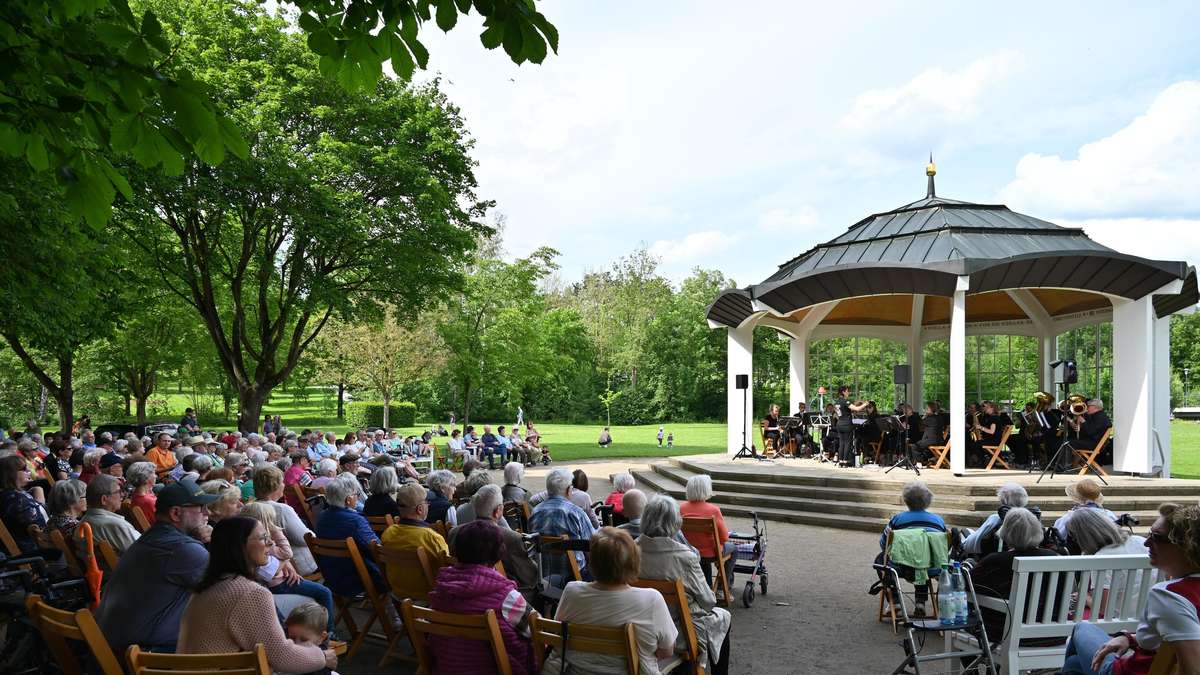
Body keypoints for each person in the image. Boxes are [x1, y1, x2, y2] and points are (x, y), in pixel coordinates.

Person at [177, 517, 335, 673]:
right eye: (263, 538)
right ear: (240, 546)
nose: (271, 542)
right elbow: (282, 658)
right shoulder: (250, 593)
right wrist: (322, 656)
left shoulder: (204, 589)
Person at [1061, 503, 1200, 674]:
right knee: (1076, 663)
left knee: (1082, 628)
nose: (1147, 543)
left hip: (1130, 671)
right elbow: (1171, 637)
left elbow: (1193, 667)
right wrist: (1130, 639)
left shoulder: (1170, 596)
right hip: (1143, 653)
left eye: (1156, 537)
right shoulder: (1183, 594)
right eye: (1149, 534)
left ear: (1186, 546)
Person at [96, 478, 216, 654]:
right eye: (200, 507)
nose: (208, 513)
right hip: (147, 655)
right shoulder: (182, 548)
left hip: (118, 646)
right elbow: (231, 588)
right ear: (176, 513)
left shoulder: (155, 537)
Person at [547, 528, 678, 674]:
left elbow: (558, 635)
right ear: (633, 562)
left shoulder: (572, 591)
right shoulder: (651, 600)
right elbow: (666, 651)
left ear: (592, 562)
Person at [638, 495, 732, 674]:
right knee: (724, 616)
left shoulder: (632, 550)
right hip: (680, 633)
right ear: (675, 522)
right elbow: (708, 601)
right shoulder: (684, 557)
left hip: (644, 627)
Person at [429, 518, 534, 673]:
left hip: (448, 667)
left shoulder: (440, 591)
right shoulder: (508, 598)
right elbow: (536, 630)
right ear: (498, 554)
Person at [964, 507, 1061, 645]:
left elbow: (968, 588)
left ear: (1005, 532)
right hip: (1054, 633)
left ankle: (983, 667)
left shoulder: (995, 561)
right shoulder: (1055, 558)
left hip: (1005, 632)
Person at [241, 501, 337, 637]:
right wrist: (277, 533)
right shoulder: (264, 544)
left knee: (322, 591)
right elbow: (285, 556)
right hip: (279, 584)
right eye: (270, 520)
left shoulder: (258, 542)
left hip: (283, 579)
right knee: (324, 592)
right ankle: (329, 633)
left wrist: (286, 563)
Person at [873, 481, 947, 615]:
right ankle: (920, 602)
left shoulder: (897, 519)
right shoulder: (939, 521)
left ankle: (894, 602)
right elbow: (943, 548)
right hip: (932, 568)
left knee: (880, 559)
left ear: (906, 500)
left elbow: (884, 544)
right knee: (923, 559)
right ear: (928, 501)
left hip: (902, 567)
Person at [448, 484, 538, 592]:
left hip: (459, 590)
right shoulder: (512, 538)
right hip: (501, 595)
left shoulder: (454, 532)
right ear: (498, 511)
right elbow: (529, 577)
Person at [1068, 507, 1149, 618]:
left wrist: (1084, 598)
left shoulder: (1101, 558)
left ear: (1083, 538)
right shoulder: (1141, 541)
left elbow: (1102, 608)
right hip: (1152, 617)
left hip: (1120, 622)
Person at [314, 473, 383, 599]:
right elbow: (376, 547)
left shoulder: (321, 517)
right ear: (348, 500)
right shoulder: (355, 521)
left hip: (332, 577)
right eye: (356, 495)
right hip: (357, 579)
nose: (357, 498)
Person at [380, 482, 449, 599]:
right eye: (427, 502)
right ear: (420, 509)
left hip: (397, 595)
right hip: (426, 598)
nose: (429, 505)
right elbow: (447, 572)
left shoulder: (388, 533)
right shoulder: (431, 537)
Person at [529, 469, 597, 583]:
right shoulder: (576, 512)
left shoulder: (535, 511)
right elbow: (593, 545)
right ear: (569, 490)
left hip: (545, 575)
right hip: (575, 576)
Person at [254, 465, 318, 576]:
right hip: (296, 568)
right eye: (282, 482)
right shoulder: (281, 509)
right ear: (275, 486)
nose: (284, 485)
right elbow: (304, 538)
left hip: (269, 566)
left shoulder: (251, 507)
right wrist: (314, 534)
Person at [679, 474, 735, 588]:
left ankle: (710, 586)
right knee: (734, 549)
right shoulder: (713, 510)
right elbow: (724, 538)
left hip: (688, 550)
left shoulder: (681, 508)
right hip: (709, 553)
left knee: (704, 555)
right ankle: (722, 585)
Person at [960, 482, 1039, 558]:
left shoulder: (997, 518)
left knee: (963, 533)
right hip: (1022, 558)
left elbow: (973, 542)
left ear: (1003, 500)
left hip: (991, 556)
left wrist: (962, 545)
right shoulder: (1032, 519)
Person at [80, 474, 140, 557]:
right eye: (118, 492)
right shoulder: (116, 525)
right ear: (104, 499)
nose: (122, 495)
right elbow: (145, 551)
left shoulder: (83, 522)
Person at [0, 454, 47, 553]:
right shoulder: (16, 499)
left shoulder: (11, 495)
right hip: (33, 552)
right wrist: (39, 493)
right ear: (11, 474)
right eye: (24, 469)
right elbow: (41, 526)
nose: (29, 471)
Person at [284, 603, 333, 675]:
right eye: (292, 638)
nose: (297, 644)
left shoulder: (320, 665)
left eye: (304, 640)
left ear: (321, 638)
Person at [834, 384, 870, 467]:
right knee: (847, 443)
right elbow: (857, 409)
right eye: (847, 391)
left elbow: (838, 413)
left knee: (841, 443)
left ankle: (840, 461)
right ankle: (845, 462)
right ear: (843, 392)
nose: (848, 392)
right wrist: (865, 404)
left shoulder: (836, 402)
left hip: (839, 424)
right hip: (847, 424)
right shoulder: (846, 401)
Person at [126, 461, 159, 525]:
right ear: (146, 478)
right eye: (154, 473)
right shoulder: (148, 501)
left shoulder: (135, 494)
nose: (156, 476)